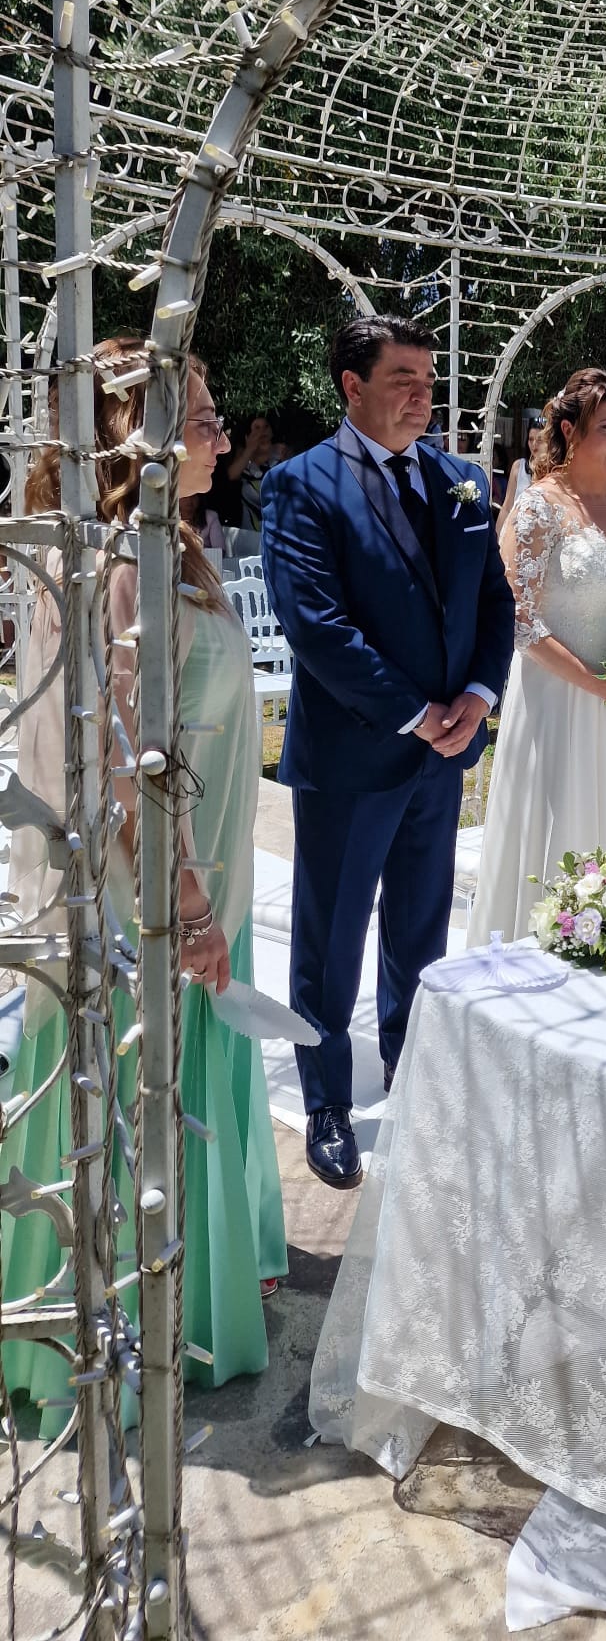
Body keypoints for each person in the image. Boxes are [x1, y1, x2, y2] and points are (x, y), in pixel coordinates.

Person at [0, 339, 287, 1435]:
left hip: (201, 863)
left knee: (182, 1083)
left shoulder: (175, 543)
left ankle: (194, 1292)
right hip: (150, 892)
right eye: (200, 416)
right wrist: (190, 908)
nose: (218, 433)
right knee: (136, 1091)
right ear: (138, 434)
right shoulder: (122, 558)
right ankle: (112, 1326)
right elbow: (123, 765)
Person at [261, 317, 515, 1189]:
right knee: (330, 938)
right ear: (352, 385)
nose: (422, 393)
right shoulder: (301, 484)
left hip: (444, 754)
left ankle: (413, 1068)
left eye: (429, 377)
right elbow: (316, 627)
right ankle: (327, 1102)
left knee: (421, 924)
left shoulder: (459, 481)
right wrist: (415, 714)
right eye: (403, 377)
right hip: (353, 756)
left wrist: (478, 695)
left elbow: (494, 601)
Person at [466, 367, 606, 947]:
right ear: (568, 429)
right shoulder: (539, 506)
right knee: (563, 827)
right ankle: (553, 937)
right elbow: (518, 617)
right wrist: (598, 684)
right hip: (558, 703)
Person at [496, 411, 543, 531]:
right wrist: (498, 535)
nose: (534, 444)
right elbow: (507, 506)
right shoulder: (518, 466)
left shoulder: (557, 470)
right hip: (517, 530)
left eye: (539, 440)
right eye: (531, 439)